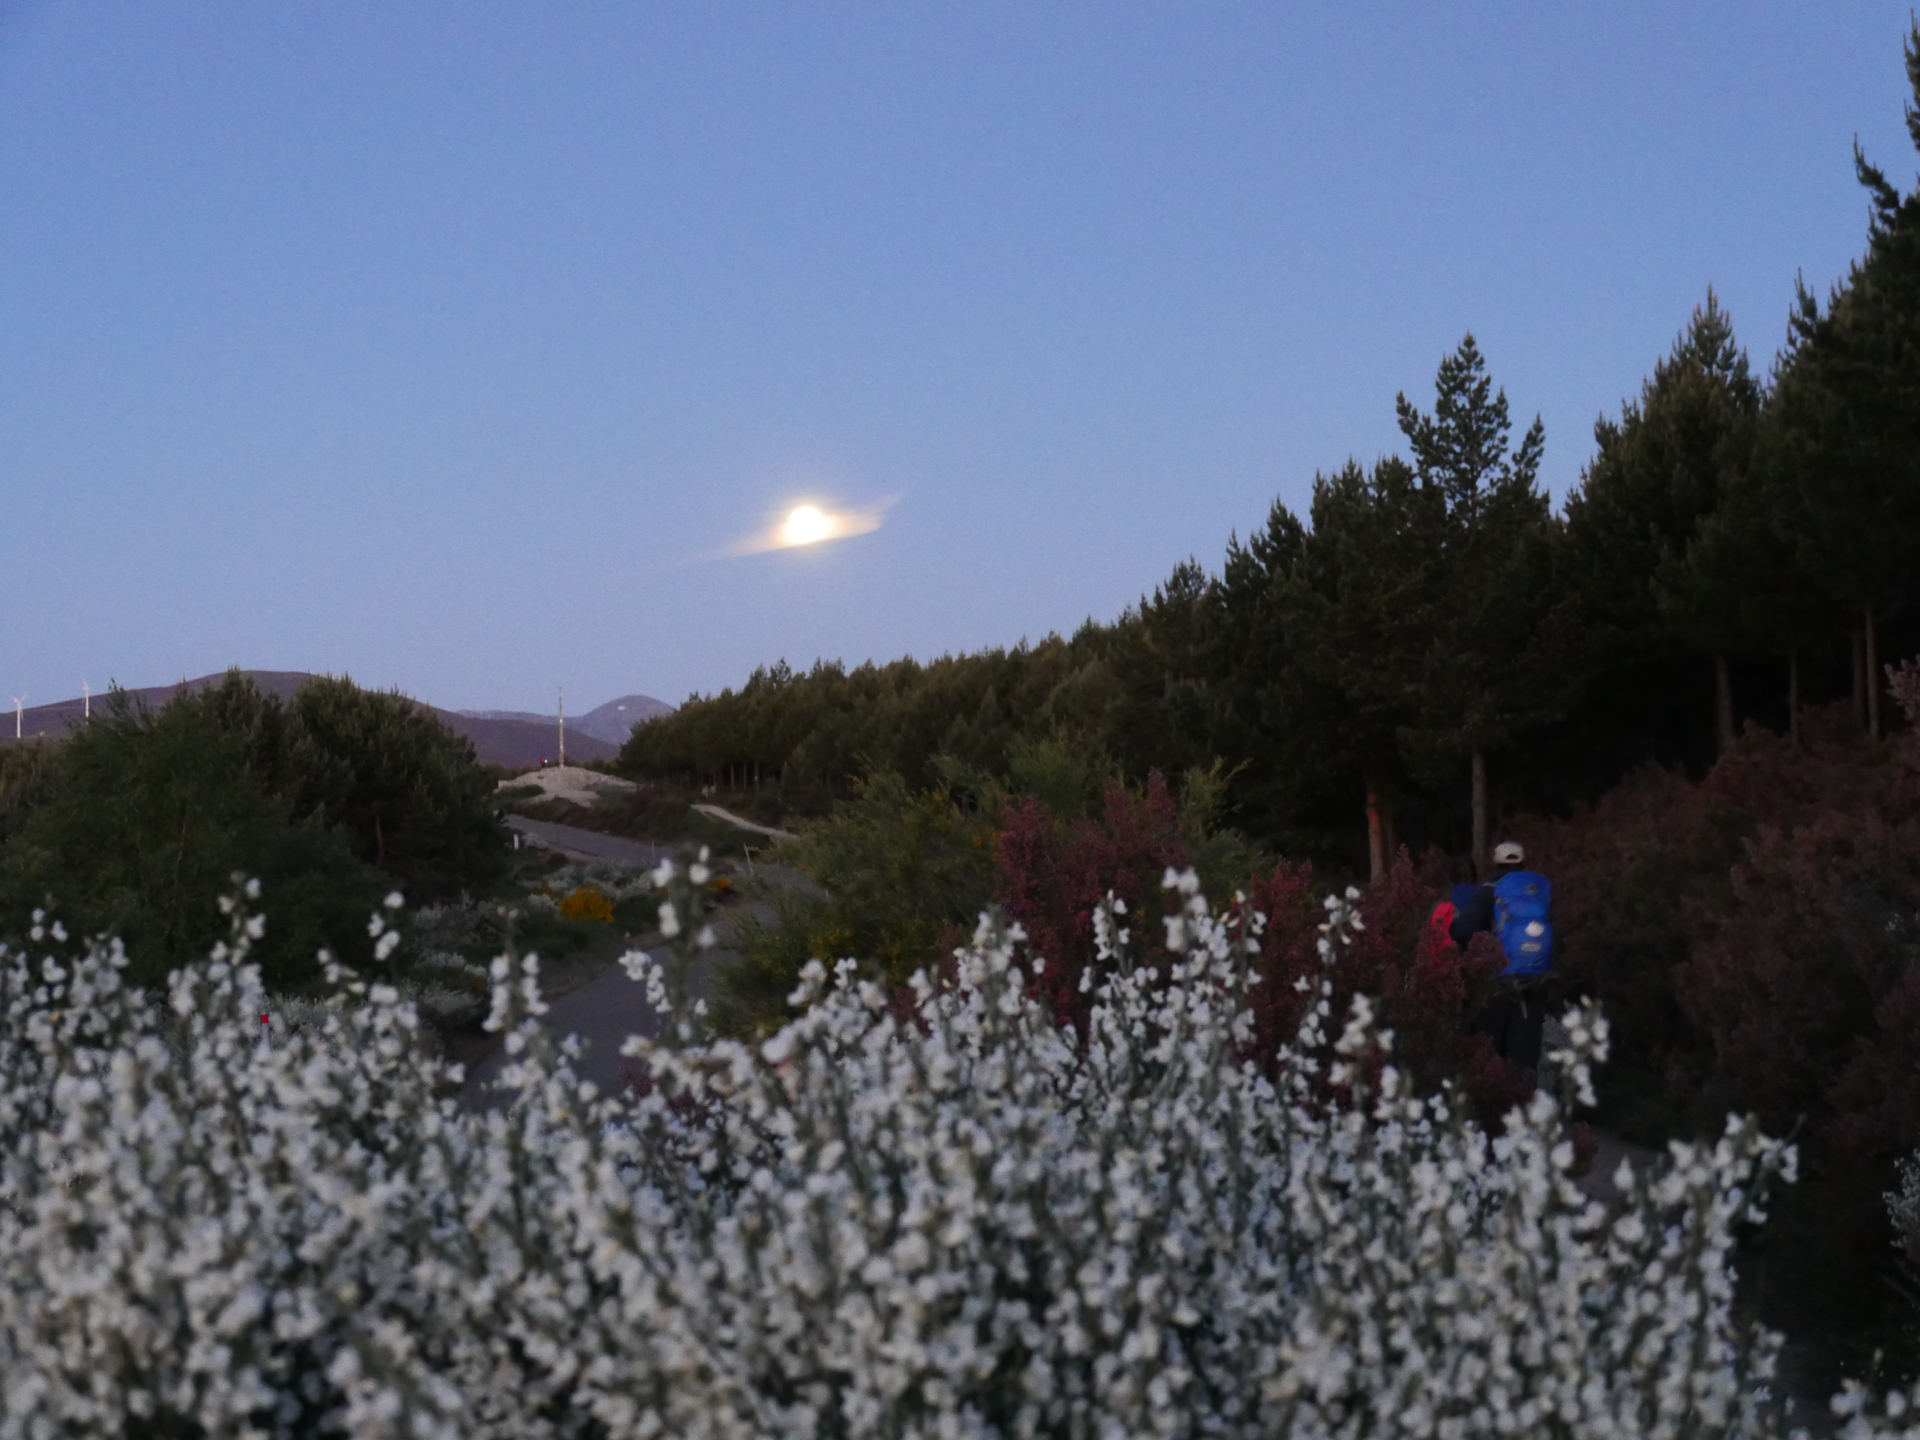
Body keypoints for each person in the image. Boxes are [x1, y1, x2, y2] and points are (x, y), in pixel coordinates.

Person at [1449, 840, 1555, 1073]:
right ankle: (1527, 1104)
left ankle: (1495, 1106)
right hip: (1534, 982)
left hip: (1495, 984)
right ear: (1523, 863)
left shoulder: (1486, 894)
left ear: (1494, 863)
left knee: (1490, 1058)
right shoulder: (1536, 892)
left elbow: (1464, 931)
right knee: (1524, 1061)